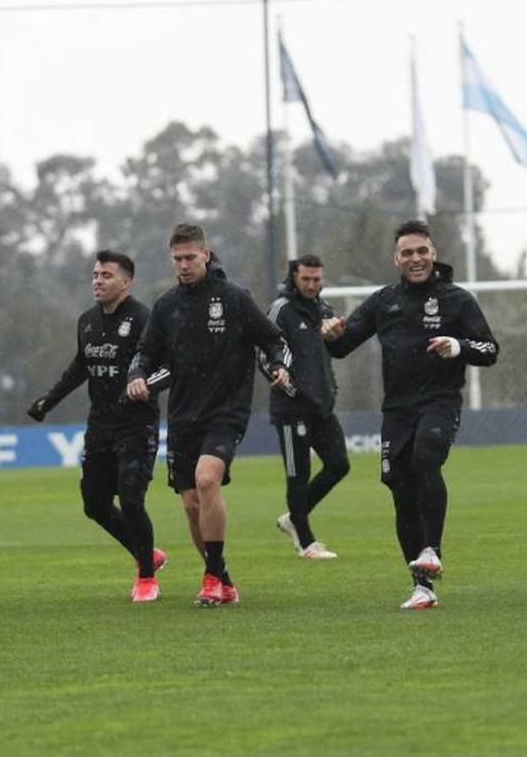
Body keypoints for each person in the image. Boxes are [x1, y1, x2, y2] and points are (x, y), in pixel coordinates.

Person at [324, 219, 499, 610]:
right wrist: (330, 336)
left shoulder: (457, 300)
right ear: (396, 258)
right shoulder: (384, 301)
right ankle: (422, 586)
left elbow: (489, 350)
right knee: (400, 489)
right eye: (408, 253)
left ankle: (432, 550)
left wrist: (458, 345)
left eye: (422, 251)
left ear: (433, 254)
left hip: (440, 402)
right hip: (397, 410)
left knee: (425, 456)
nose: (416, 259)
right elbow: (342, 346)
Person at [126, 223, 291, 607]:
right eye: (177, 259)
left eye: (190, 258)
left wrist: (280, 367)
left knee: (206, 480)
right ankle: (223, 578)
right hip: (184, 415)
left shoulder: (234, 299)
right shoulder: (167, 305)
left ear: (206, 254)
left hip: (226, 412)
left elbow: (273, 340)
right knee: (190, 504)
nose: (184, 265)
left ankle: (211, 576)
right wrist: (137, 375)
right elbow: (146, 353)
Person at [28, 250, 167, 602]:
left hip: (137, 425)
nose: (98, 281)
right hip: (100, 426)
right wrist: (49, 400)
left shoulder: (142, 319)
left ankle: (146, 577)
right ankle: (147, 553)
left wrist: (146, 385)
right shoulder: (87, 321)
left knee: (132, 500)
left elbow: (160, 364)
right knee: (95, 505)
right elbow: (80, 366)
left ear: (126, 281)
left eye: (106, 275)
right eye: (95, 275)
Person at [267, 255, 351, 560]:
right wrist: (281, 377)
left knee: (339, 464)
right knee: (297, 475)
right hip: (291, 408)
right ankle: (305, 541)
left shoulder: (322, 309)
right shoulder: (281, 309)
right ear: (294, 277)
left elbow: (336, 351)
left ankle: (293, 517)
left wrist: (339, 334)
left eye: (317, 280)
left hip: (321, 405)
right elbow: (266, 350)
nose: (312, 285)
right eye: (306, 279)